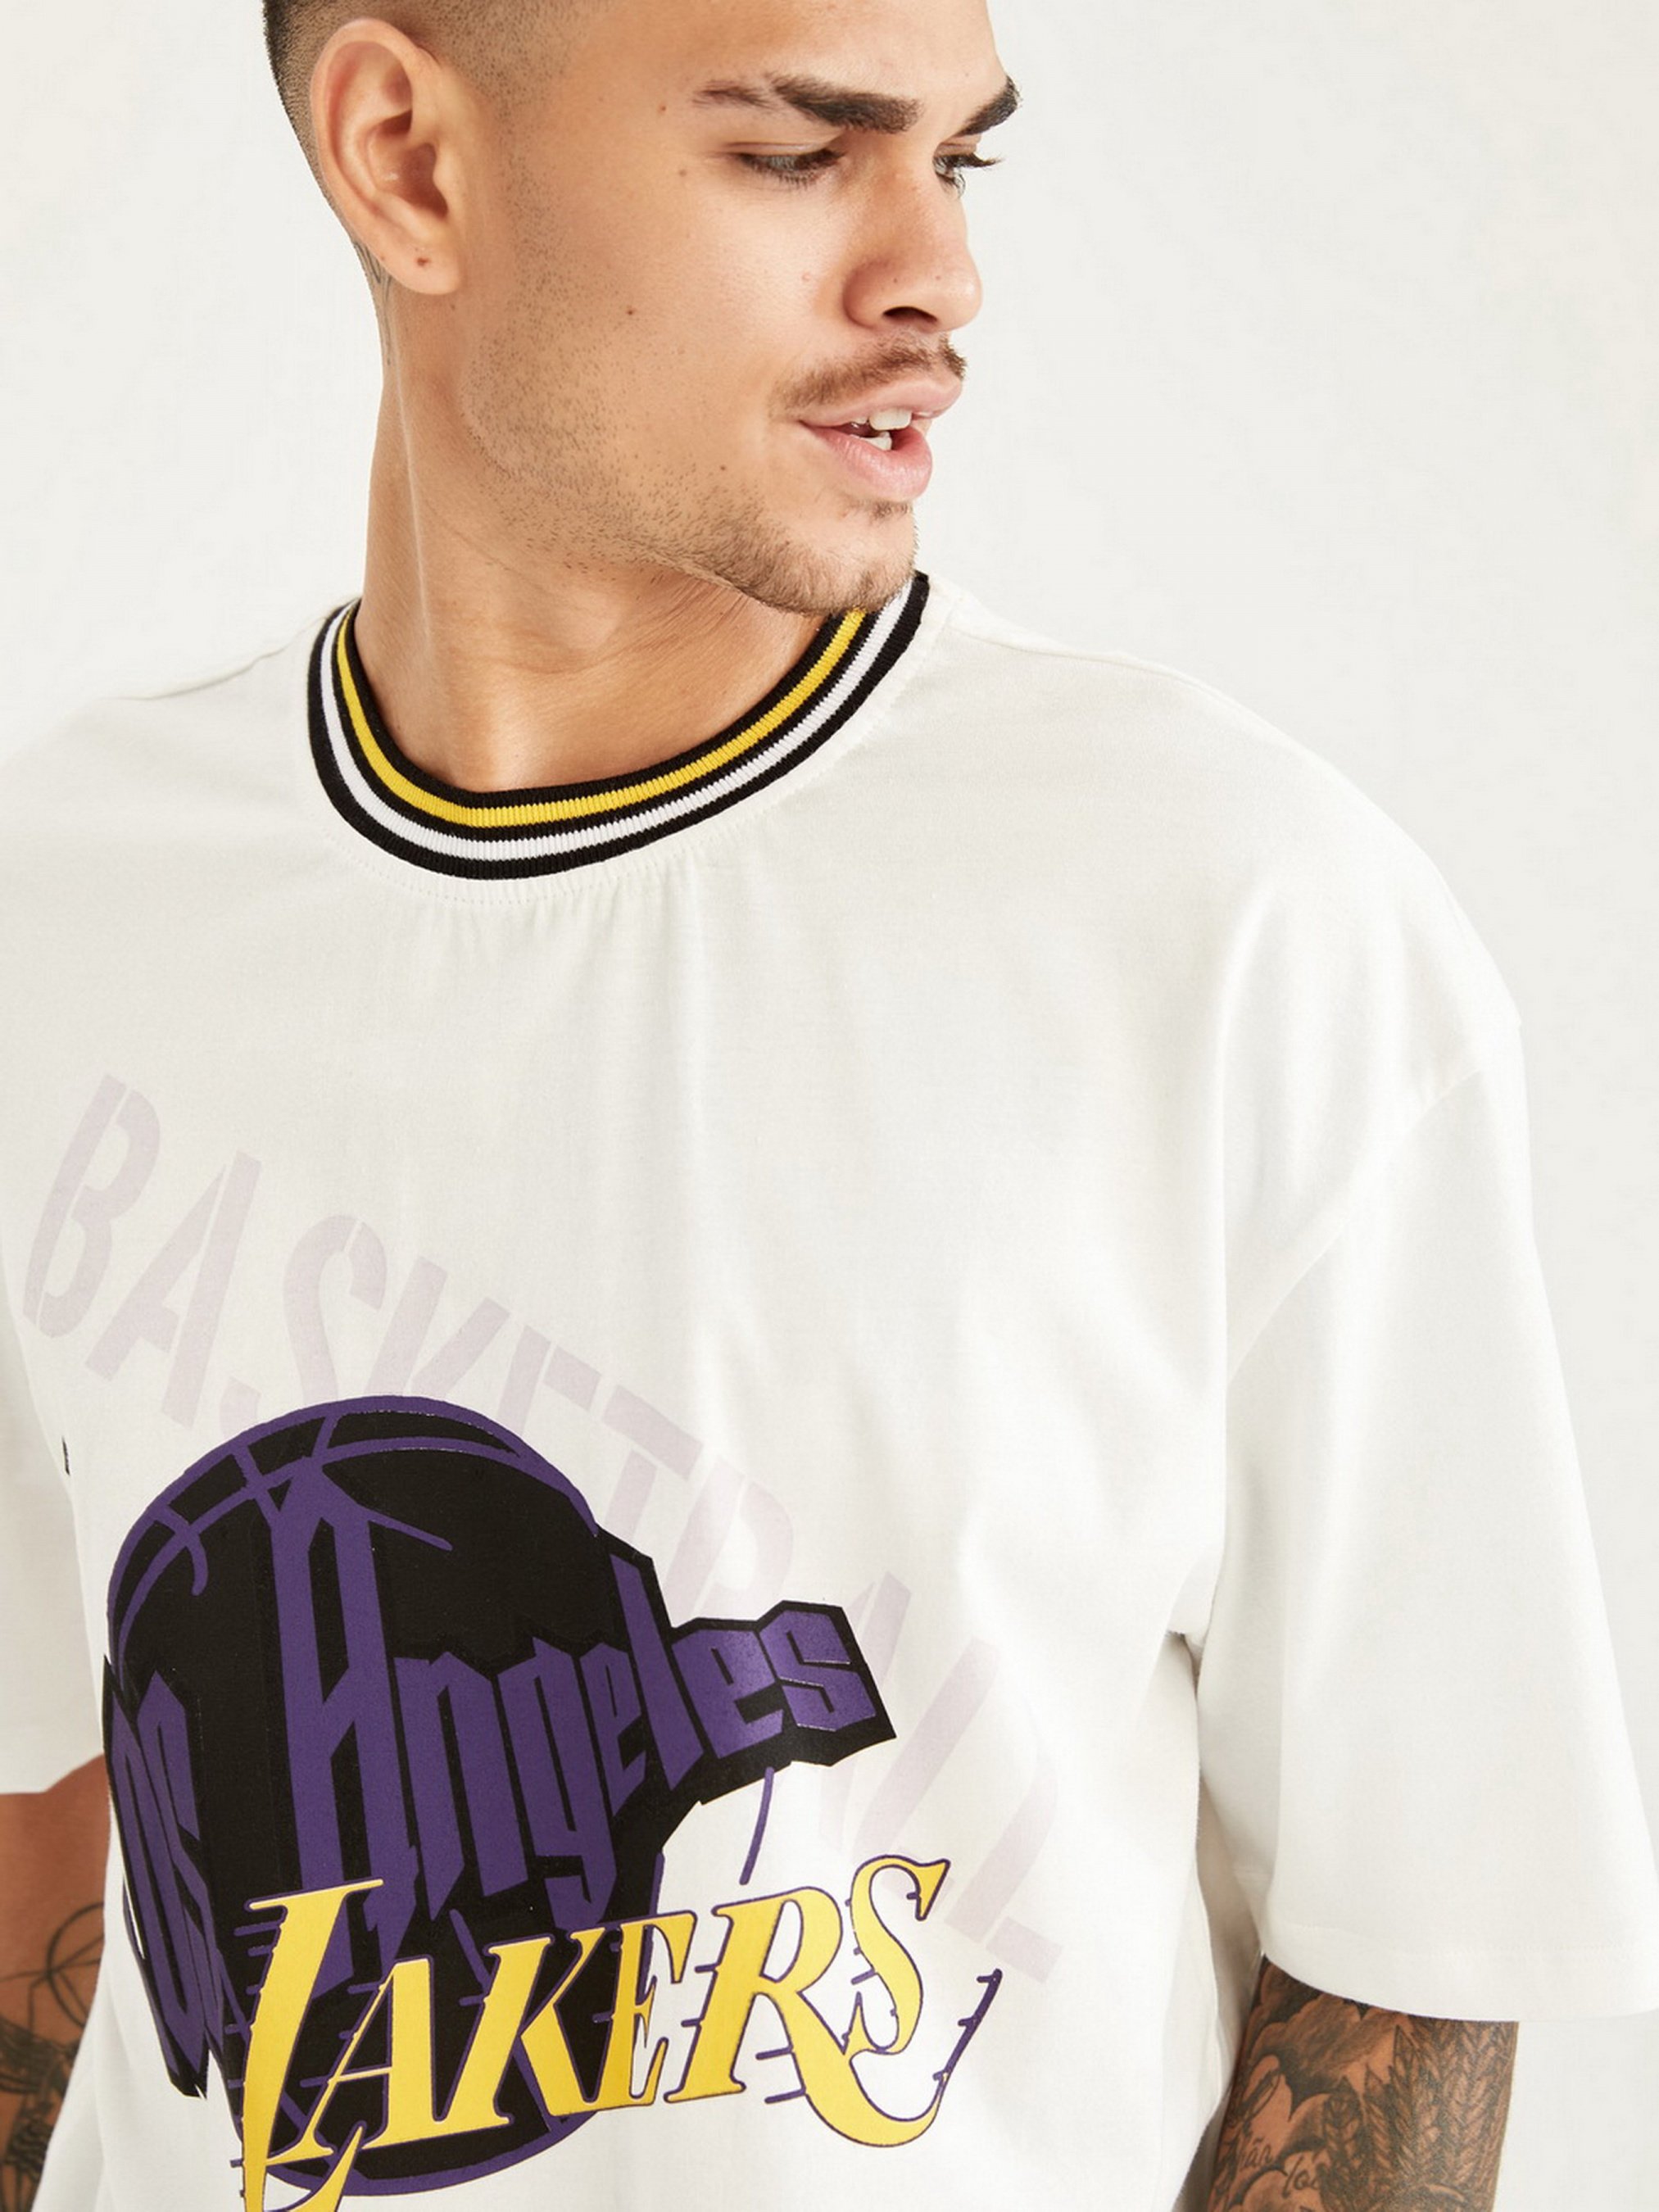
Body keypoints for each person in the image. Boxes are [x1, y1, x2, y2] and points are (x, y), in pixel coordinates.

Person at [2, 0, 1656, 2206]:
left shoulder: (1239, 923)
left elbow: (1401, 1972)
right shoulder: (62, 914)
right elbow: (51, 1820)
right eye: (797, 155)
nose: (939, 276)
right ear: (405, 155)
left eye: (958, 159)